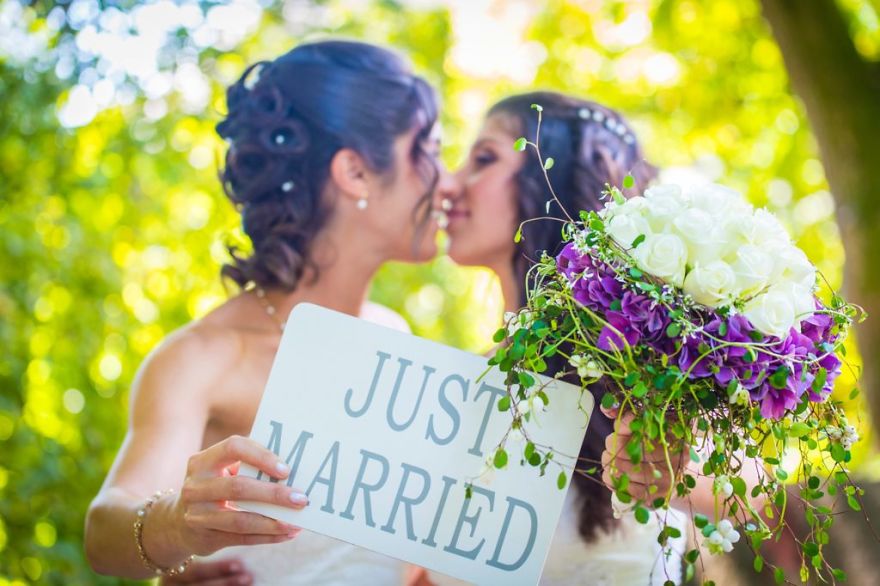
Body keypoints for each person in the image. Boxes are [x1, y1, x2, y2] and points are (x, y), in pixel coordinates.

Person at [84, 39, 455, 585]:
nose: (447, 183)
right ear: (354, 172)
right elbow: (103, 531)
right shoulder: (204, 357)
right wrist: (176, 527)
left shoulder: (395, 335)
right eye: (431, 152)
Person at [436, 91, 689, 585]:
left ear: (553, 180)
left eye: (483, 159)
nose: (449, 182)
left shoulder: (662, 374)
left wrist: (672, 458)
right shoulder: (449, 386)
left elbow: (759, 497)